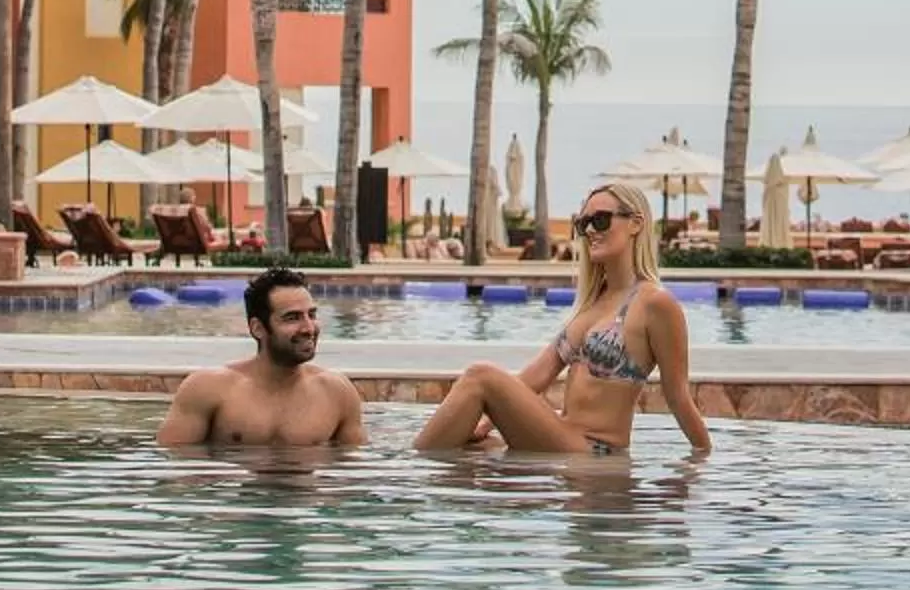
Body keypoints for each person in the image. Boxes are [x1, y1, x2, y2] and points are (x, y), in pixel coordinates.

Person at [414, 179, 711, 460]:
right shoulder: (593, 302)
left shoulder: (655, 303)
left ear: (636, 223)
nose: (590, 230)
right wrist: (486, 423)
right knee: (467, 445)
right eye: (583, 223)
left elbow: (678, 396)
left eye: (601, 220)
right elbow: (538, 374)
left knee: (480, 375)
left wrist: (703, 458)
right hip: (564, 435)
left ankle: (411, 468)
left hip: (594, 450)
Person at [157, 264, 367, 451]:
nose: (308, 328)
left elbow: (352, 469)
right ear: (258, 328)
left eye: (311, 315)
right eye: (292, 318)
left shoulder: (337, 393)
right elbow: (176, 465)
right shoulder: (208, 389)